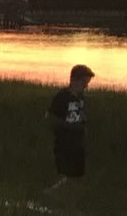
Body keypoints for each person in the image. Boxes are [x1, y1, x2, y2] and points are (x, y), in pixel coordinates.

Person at [45, 64, 95, 192]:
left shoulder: (80, 98)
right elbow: (50, 118)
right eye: (84, 82)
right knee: (64, 173)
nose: (86, 86)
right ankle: (52, 193)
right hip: (64, 143)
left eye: (87, 83)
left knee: (78, 174)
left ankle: (69, 196)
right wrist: (66, 127)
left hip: (78, 143)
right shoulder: (61, 97)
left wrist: (84, 126)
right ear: (74, 80)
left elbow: (80, 114)